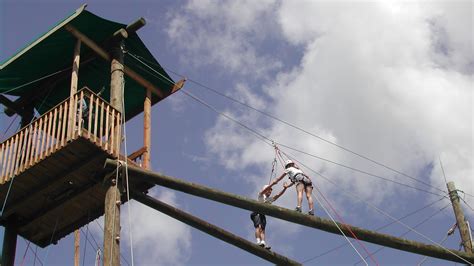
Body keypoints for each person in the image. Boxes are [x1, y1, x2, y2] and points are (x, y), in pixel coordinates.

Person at [250, 183, 290, 249]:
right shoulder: (261, 195)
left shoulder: (269, 199)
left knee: (262, 230)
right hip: (256, 212)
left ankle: (263, 242)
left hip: (262, 214)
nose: (270, 192)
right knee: (258, 227)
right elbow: (264, 190)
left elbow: (278, 195)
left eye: (271, 191)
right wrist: (271, 185)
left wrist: (285, 188)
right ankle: (258, 241)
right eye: (269, 190)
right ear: (265, 190)